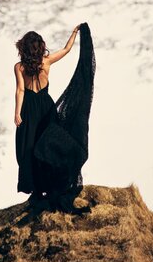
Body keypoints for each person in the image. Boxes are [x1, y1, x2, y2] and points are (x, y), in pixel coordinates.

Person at [14, 22, 95, 214]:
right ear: (40, 47)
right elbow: (67, 50)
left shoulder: (19, 67)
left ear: (24, 49)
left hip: (29, 112)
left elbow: (20, 90)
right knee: (49, 149)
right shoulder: (46, 62)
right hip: (47, 108)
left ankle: (37, 189)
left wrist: (17, 113)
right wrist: (76, 33)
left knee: (29, 149)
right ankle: (51, 186)